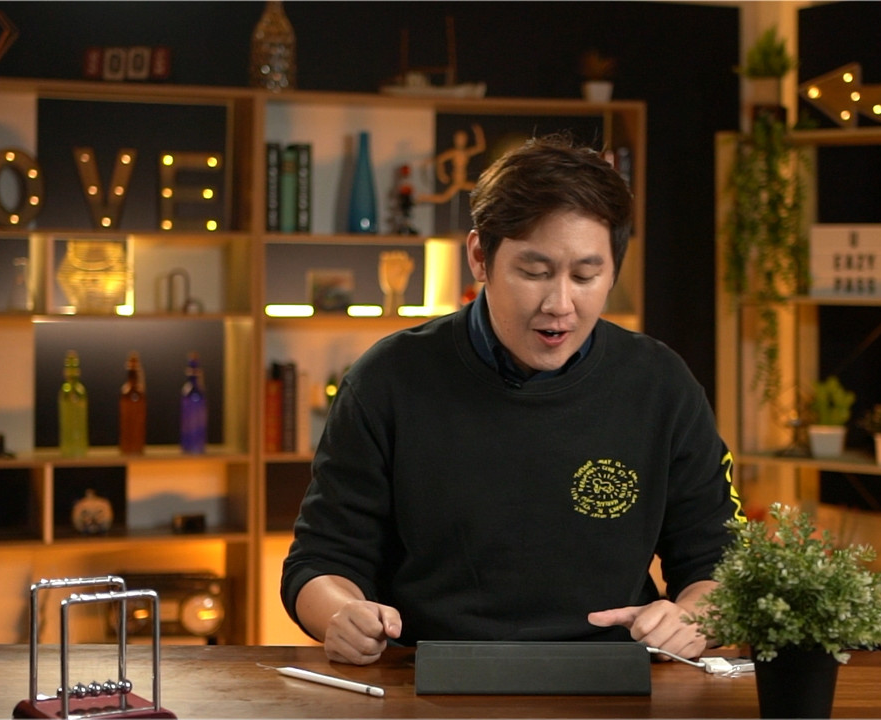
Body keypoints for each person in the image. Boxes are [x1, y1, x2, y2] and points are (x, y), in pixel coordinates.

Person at [281, 133, 745, 666]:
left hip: (613, 676)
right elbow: (319, 563)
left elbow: (721, 564)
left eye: (586, 276)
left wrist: (693, 619)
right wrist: (341, 615)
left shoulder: (661, 384)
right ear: (480, 257)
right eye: (534, 272)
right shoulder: (388, 379)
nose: (560, 304)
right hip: (428, 676)